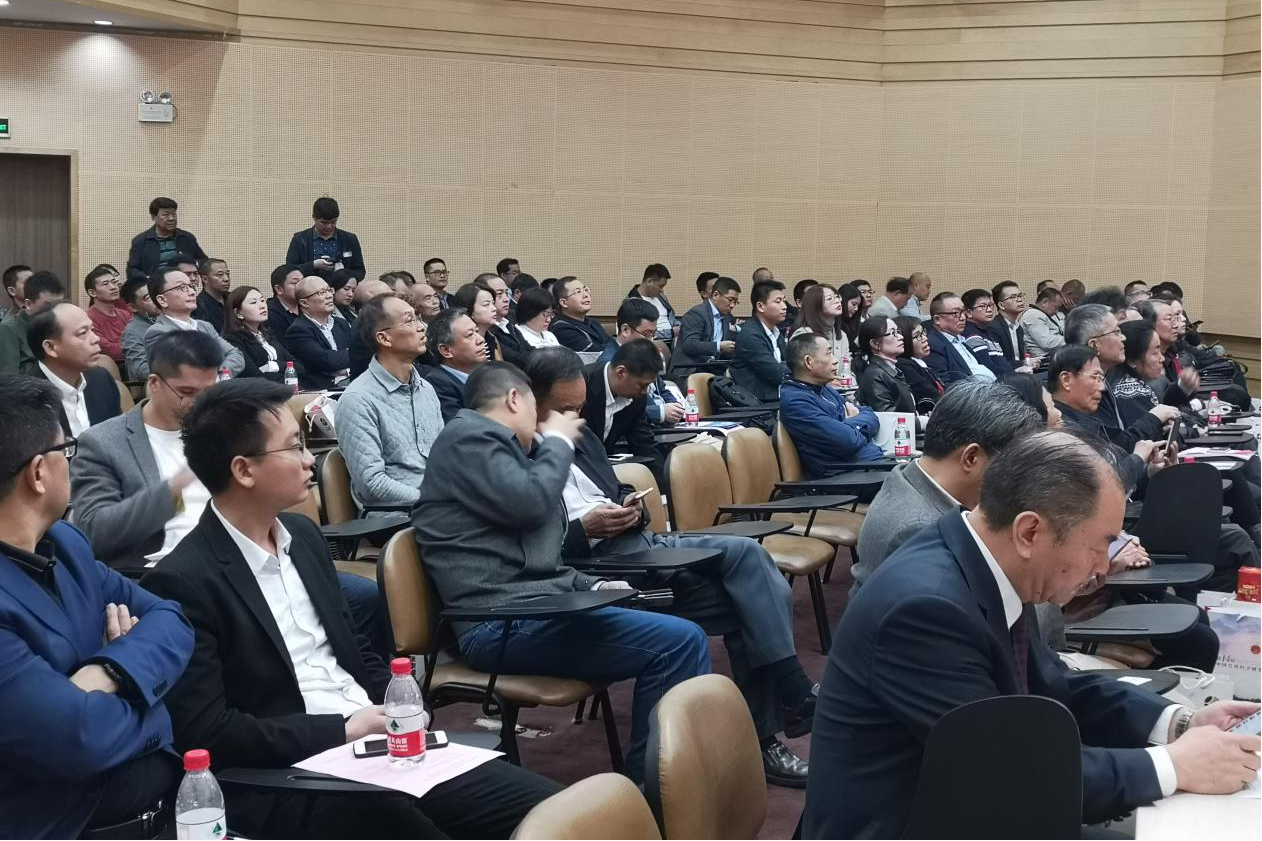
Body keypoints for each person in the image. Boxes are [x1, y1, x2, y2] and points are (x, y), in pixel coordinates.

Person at [140, 379, 557, 838]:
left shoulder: (304, 538)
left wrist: (398, 704)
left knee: (559, 813)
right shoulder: (184, 581)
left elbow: (354, 647)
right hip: (295, 773)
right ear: (243, 470)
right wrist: (342, 731)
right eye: (294, 447)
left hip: (381, 746)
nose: (310, 460)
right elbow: (209, 730)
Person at [802, 429, 1262, 839]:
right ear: (1029, 532)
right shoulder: (926, 610)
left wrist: (1179, 723)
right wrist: (1174, 765)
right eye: (1101, 544)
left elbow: (1051, 688)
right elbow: (1009, 776)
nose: (1104, 567)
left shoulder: (988, 563)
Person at [526, 347, 818, 785]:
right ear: (531, 401)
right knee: (747, 605)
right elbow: (534, 550)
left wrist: (631, 507)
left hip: (640, 544)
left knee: (749, 555)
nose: (576, 417)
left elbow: (613, 488)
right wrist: (585, 530)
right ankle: (774, 724)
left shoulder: (578, 435)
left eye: (580, 406)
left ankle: (788, 696)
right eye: (565, 409)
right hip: (600, 567)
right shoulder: (516, 453)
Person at [414, 361, 712, 785]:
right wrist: (556, 442)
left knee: (688, 615)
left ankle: (674, 778)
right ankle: (657, 792)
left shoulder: (498, 451)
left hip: (531, 608)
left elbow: (540, 560)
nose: (543, 419)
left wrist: (594, 584)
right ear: (514, 399)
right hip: (499, 622)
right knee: (678, 642)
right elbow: (533, 505)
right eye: (536, 407)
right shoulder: (470, 438)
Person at [0, 374, 195, 839]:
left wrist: (110, 670)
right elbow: (78, 741)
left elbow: (172, 619)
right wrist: (151, 695)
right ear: (38, 472)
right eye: (65, 450)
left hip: (161, 807)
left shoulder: (65, 544)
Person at [853, 380, 1042, 593]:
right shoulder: (920, 529)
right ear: (971, 458)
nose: (1015, 481)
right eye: (1013, 466)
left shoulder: (910, 477)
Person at [70, 331, 222, 569]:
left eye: (208, 393)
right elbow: (94, 531)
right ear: (154, 383)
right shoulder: (102, 442)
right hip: (161, 570)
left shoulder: (220, 430)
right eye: (187, 393)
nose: (200, 403)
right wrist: (171, 492)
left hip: (228, 556)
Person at [336, 295, 443, 511]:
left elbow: (444, 457)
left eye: (418, 318)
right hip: (395, 515)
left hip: (437, 506)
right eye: (410, 320)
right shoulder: (358, 399)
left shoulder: (426, 388)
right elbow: (372, 485)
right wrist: (433, 500)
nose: (421, 327)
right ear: (384, 338)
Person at [780, 333, 884, 479]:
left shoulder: (825, 389)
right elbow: (848, 440)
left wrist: (849, 425)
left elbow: (870, 414)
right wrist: (853, 425)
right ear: (809, 362)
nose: (835, 361)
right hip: (844, 476)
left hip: (869, 465)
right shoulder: (796, 402)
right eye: (828, 354)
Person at [27, 303, 120, 436]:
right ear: (50, 347)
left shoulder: (101, 380)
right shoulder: (26, 400)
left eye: (92, 329)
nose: (96, 339)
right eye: (83, 333)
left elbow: (117, 437)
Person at [143, 267, 245, 376]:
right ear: (163, 300)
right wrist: (215, 376)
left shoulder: (204, 326)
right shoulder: (158, 332)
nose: (192, 292)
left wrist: (220, 375)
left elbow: (235, 355)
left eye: (191, 286)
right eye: (182, 287)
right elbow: (182, 372)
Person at [599, 298, 685, 426]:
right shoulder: (610, 364)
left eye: (653, 334)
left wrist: (674, 405)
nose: (651, 340)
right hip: (646, 427)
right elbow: (619, 411)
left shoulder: (643, 353)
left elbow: (662, 388)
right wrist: (660, 412)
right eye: (646, 334)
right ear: (625, 330)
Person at [580, 339, 661, 471]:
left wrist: (660, 482)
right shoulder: (582, 384)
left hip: (606, 469)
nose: (644, 392)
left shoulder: (636, 396)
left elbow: (643, 444)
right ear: (621, 372)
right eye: (643, 385)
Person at [287, 276, 352, 390]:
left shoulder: (341, 323)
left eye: (329, 290)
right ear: (304, 303)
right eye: (321, 293)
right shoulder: (298, 331)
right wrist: (357, 352)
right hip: (324, 390)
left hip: (352, 382)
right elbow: (329, 361)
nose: (329, 296)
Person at [730, 279, 790, 402]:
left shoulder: (775, 332)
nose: (784, 306)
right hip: (761, 403)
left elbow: (788, 363)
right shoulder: (750, 336)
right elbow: (778, 374)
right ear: (760, 306)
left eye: (784, 301)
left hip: (780, 396)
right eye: (778, 301)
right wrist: (802, 368)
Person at [424, 308, 487, 422]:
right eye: (470, 335)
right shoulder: (438, 385)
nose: (481, 340)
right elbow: (463, 428)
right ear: (446, 350)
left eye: (476, 331)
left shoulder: (485, 374)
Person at [125, 197, 206, 284]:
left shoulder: (186, 237)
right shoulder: (141, 241)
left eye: (174, 214)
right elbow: (132, 270)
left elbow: (203, 261)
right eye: (165, 215)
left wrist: (192, 269)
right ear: (154, 217)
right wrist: (149, 279)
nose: (171, 218)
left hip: (184, 285)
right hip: (155, 287)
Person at [0, 270, 67, 375]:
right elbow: (9, 377)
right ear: (28, 304)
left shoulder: (61, 324)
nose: (54, 310)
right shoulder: (8, 328)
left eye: (58, 304)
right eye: (48, 305)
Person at [221, 285, 293, 382]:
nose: (262, 306)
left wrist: (273, 366)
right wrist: (287, 372)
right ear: (239, 313)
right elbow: (255, 376)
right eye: (253, 302)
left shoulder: (267, 335)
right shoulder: (233, 340)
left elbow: (298, 367)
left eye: (262, 300)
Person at [672, 276, 741, 375]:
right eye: (730, 300)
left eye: (735, 302)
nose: (732, 305)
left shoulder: (727, 317)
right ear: (716, 295)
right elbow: (689, 345)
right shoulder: (696, 314)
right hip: (690, 369)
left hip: (712, 367)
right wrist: (719, 346)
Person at [285, 196, 366, 281]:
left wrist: (344, 274)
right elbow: (289, 270)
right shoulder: (300, 239)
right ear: (314, 218)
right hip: (309, 287)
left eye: (333, 222)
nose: (329, 226)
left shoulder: (350, 239)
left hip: (340, 288)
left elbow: (360, 271)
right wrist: (313, 265)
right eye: (324, 222)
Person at [926, 291, 997, 384]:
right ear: (937, 319)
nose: (963, 317)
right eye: (956, 313)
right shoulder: (934, 344)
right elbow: (945, 384)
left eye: (963, 311)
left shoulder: (960, 339)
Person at [855, 315, 915, 414]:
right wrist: (919, 421)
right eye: (893, 333)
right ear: (875, 344)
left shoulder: (891, 369)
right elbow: (887, 416)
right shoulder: (875, 375)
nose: (901, 337)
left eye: (898, 331)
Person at [893, 315, 945, 410]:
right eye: (917, 336)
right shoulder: (903, 365)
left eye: (923, 332)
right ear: (903, 340)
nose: (925, 338)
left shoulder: (920, 362)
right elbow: (930, 394)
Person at [84, 266, 131, 365]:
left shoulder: (125, 315)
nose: (113, 287)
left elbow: (139, 340)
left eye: (114, 282)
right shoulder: (88, 319)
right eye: (105, 284)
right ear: (92, 292)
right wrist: (134, 347)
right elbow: (109, 350)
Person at [791, 283, 849, 363]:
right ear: (816, 305)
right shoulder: (803, 334)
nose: (837, 301)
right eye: (829, 298)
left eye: (837, 297)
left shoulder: (842, 335)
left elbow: (846, 366)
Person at [550, 278, 610, 353]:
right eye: (578, 292)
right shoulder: (561, 328)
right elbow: (595, 353)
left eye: (585, 290)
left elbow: (611, 345)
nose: (586, 295)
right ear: (564, 303)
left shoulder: (593, 322)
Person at [121, 275, 161, 380]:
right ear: (133, 307)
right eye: (148, 298)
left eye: (155, 293)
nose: (156, 299)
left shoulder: (170, 318)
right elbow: (141, 371)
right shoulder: (131, 332)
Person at [627, 263, 677, 342]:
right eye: (660, 286)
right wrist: (671, 333)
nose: (661, 290)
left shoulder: (661, 297)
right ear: (649, 281)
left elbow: (671, 318)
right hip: (652, 343)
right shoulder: (632, 303)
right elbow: (640, 333)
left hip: (673, 340)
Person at [265, 263, 304, 357]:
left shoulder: (307, 306)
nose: (302, 287)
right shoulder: (270, 314)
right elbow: (283, 349)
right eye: (295, 283)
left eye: (303, 282)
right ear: (279, 289)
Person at [988, 281, 1029, 366]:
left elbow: (1021, 358)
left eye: (1020, 295)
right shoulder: (993, 328)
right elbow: (999, 363)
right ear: (1001, 305)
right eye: (1013, 297)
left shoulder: (1018, 328)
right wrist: (1024, 363)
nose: (1019, 300)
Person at [1022, 286, 1066, 355]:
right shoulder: (1033, 314)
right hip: (1043, 359)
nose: (1056, 312)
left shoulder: (1040, 314)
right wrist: (1069, 340)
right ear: (1045, 302)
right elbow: (1046, 342)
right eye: (1056, 307)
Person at [192, 258, 231, 329]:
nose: (226, 279)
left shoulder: (234, 299)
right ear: (205, 279)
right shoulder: (197, 306)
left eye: (227, 274)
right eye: (220, 274)